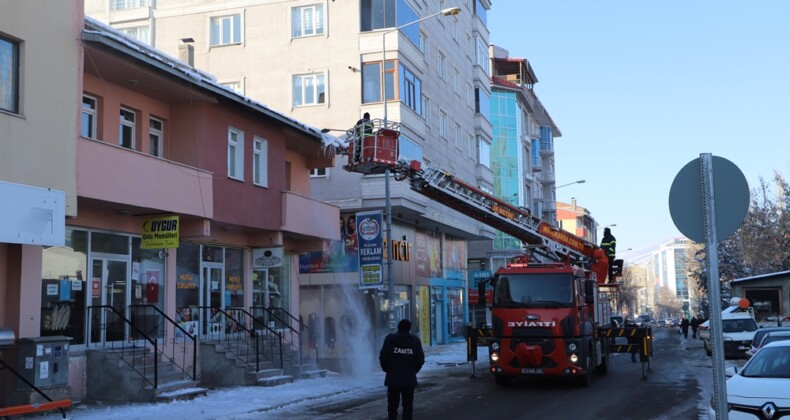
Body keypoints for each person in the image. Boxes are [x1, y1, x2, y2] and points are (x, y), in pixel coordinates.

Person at [379, 319, 425, 420]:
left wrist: (388, 369)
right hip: (409, 380)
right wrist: (413, 371)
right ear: (409, 328)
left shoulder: (389, 339)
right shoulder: (415, 341)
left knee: (392, 407)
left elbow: (383, 356)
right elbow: (420, 359)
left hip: (393, 379)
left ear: (398, 327)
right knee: (408, 407)